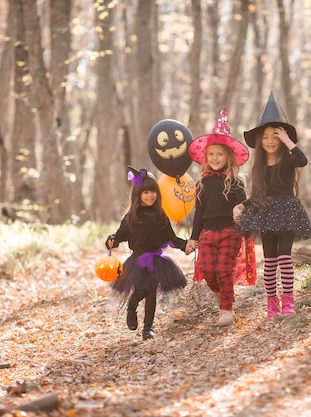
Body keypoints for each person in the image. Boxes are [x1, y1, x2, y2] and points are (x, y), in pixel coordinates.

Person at [234, 91, 311, 318]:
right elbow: (259, 193)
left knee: (284, 257)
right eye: (266, 137)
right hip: (266, 212)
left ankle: (288, 300)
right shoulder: (258, 166)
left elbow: (303, 160)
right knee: (269, 261)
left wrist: (288, 140)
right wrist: (242, 205)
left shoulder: (289, 160)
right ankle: (272, 303)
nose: (270, 141)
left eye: (275, 136)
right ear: (260, 141)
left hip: (288, 212)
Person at [186, 107, 255, 326]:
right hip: (207, 233)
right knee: (208, 271)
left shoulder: (235, 182)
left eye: (220, 154)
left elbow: (244, 205)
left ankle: (226, 309)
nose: (215, 158)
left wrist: (240, 208)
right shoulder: (202, 183)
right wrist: (193, 237)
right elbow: (199, 213)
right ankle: (224, 296)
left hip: (229, 231)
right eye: (211, 154)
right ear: (205, 157)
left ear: (228, 157)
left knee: (223, 269)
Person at [105, 166, 192, 340]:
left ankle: (148, 328)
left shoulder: (160, 215)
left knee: (151, 291)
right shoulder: (132, 217)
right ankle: (132, 307)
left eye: (153, 192)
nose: (150, 195)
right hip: (137, 261)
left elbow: (171, 237)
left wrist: (186, 245)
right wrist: (112, 239)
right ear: (138, 195)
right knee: (140, 291)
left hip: (156, 260)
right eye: (145, 193)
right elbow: (120, 234)